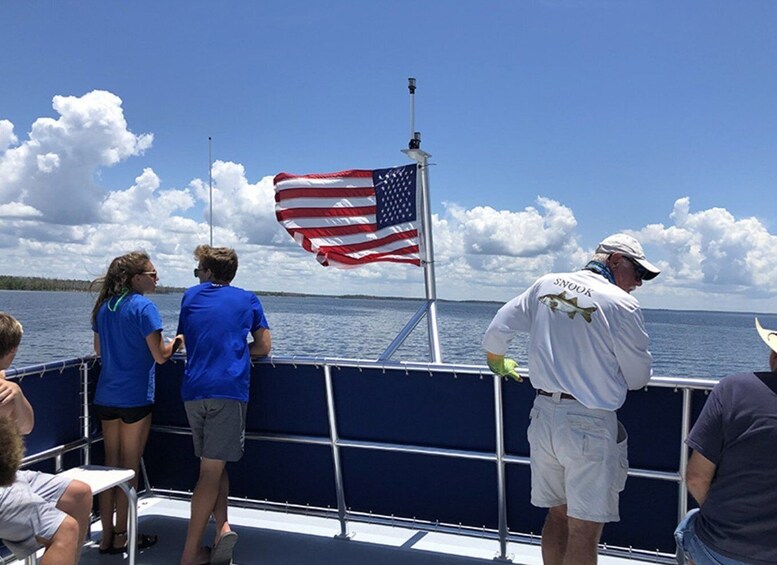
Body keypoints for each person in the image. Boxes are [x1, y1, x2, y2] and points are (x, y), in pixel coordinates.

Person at [482, 233, 660, 565]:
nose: (639, 283)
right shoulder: (622, 304)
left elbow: (497, 330)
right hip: (588, 425)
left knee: (558, 516)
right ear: (616, 260)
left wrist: (497, 362)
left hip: (543, 416)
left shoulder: (546, 283)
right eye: (638, 273)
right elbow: (638, 379)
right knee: (584, 529)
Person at [177, 245, 272, 565]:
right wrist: (238, 351)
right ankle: (190, 554)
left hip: (193, 391)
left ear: (207, 272)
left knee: (214, 464)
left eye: (198, 272)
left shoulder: (190, 297)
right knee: (210, 469)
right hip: (227, 391)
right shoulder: (247, 299)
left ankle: (222, 528)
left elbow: (185, 338)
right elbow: (263, 346)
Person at [91, 251, 182, 554]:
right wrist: (178, 342)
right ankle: (123, 535)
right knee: (128, 469)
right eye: (153, 274)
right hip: (134, 399)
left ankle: (106, 537)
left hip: (106, 396)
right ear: (136, 278)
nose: (157, 278)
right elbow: (160, 355)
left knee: (109, 467)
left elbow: (99, 350)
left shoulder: (104, 307)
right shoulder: (145, 308)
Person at [673, 318, 777, 565]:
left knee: (690, 523)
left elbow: (697, 478)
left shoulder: (733, 389)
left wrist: (723, 515)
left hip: (720, 548)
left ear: (774, 355)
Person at [0, 312, 93, 565]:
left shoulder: (7, 387)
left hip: (11, 476)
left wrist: (17, 394)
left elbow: (27, 426)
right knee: (66, 530)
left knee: (79, 494)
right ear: (13, 351)